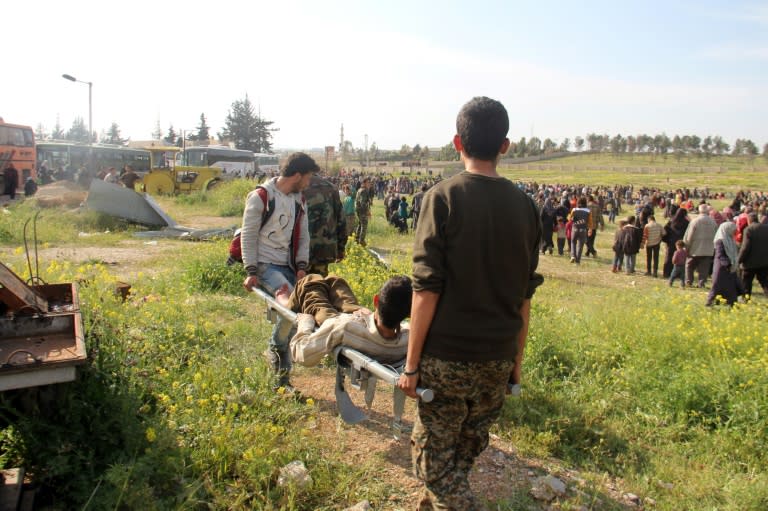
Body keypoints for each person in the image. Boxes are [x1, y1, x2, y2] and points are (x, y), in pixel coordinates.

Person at [397, 97, 543, 510]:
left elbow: (426, 289)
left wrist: (410, 365)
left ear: (457, 141)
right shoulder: (526, 207)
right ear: (506, 146)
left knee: (436, 466)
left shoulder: (443, 198)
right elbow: (524, 296)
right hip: (497, 357)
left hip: (447, 358)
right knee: (459, 456)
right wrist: (516, 360)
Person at [242, 152, 318, 390]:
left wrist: (302, 267)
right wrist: (251, 269)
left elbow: (304, 236)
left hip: (288, 264)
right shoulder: (261, 197)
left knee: (300, 307)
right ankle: (277, 354)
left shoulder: (299, 200)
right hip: (265, 263)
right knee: (290, 306)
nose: (309, 182)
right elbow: (248, 234)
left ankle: (280, 364)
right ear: (296, 175)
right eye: (308, 177)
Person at [277, 274, 412, 368]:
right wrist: (368, 316)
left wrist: (305, 322)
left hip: (339, 323)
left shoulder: (343, 328)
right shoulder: (410, 338)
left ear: (376, 300)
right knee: (336, 280)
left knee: (311, 281)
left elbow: (302, 353)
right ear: (410, 313)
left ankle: (286, 302)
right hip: (362, 323)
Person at [304, 174, 346, 276]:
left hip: (302, 250)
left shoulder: (298, 186)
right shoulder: (331, 188)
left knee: (300, 286)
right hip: (325, 248)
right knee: (319, 285)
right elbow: (341, 219)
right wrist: (341, 248)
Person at [706, 222, 744, 306]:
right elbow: (720, 254)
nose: (734, 232)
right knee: (718, 286)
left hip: (730, 268)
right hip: (721, 267)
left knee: (731, 287)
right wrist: (728, 264)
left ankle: (731, 304)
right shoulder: (720, 240)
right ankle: (710, 303)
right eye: (733, 230)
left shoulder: (730, 239)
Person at [683, 204, 717, 288]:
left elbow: (689, 236)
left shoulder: (695, 221)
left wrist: (686, 246)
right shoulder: (713, 222)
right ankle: (701, 282)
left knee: (689, 265)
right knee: (704, 268)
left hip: (695, 248)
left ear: (699, 211)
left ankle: (689, 281)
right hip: (708, 248)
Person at [738, 212, 768, 298]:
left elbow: (745, 247)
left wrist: (739, 260)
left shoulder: (749, 229)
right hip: (764, 261)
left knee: (746, 282)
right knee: (765, 282)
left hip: (750, 262)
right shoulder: (766, 228)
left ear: (749, 220)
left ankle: (746, 298)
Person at [661, 208, 689, 278]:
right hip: (681, 243)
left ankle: (666, 273)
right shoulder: (686, 223)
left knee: (669, 257)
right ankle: (678, 274)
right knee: (680, 258)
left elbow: (665, 230)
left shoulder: (672, 221)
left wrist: (666, 240)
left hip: (671, 242)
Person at [568, 197, 592, 264]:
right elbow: (590, 222)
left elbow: (569, 219)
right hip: (583, 230)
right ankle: (577, 261)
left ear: (578, 203)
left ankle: (573, 256)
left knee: (573, 242)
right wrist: (590, 229)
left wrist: (572, 219)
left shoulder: (574, 209)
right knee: (580, 245)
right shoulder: (588, 211)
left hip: (575, 229)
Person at [354, 177, 374, 246]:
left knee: (360, 224)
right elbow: (363, 203)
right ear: (364, 183)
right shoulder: (364, 191)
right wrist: (367, 211)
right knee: (364, 225)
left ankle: (356, 239)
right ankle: (361, 241)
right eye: (368, 182)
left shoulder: (360, 189)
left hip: (359, 210)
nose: (369, 184)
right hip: (362, 211)